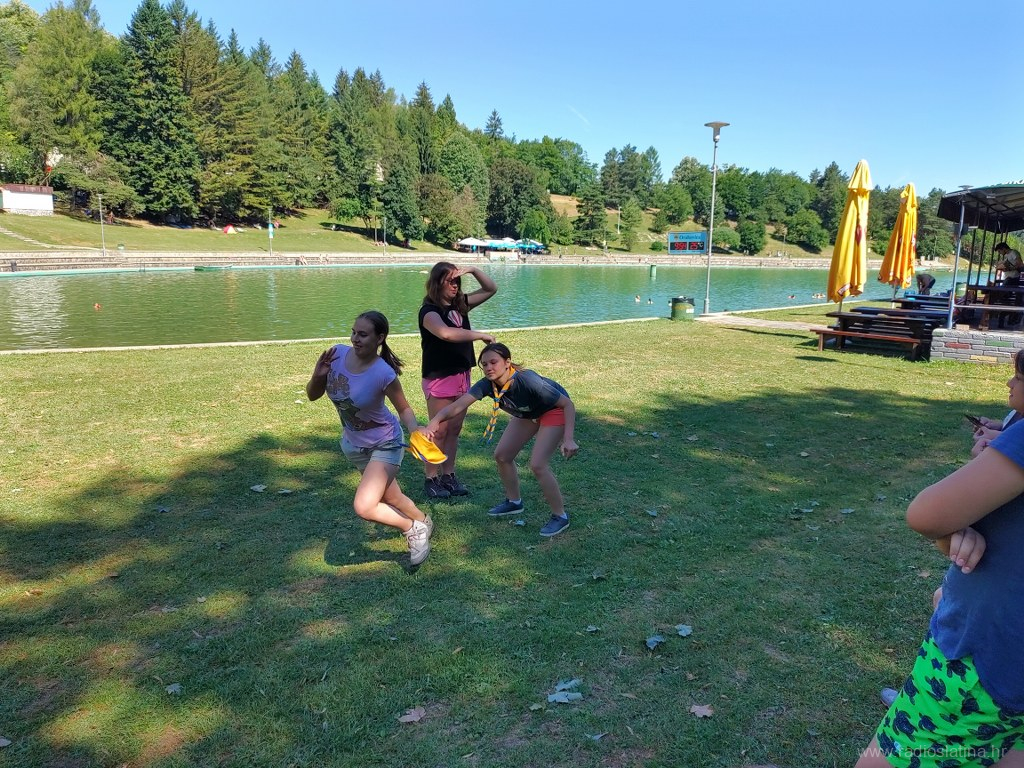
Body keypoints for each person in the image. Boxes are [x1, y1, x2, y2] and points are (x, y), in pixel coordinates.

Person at [855, 350, 1024, 768]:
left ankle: (927, 714)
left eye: (1019, 377)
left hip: (986, 664)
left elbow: (927, 514)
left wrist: (950, 528)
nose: (1010, 383)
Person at [306, 311, 432, 566]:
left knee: (364, 506)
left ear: (379, 338)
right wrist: (318, 376)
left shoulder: (383, 373)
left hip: (385, 442)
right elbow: (312, 395)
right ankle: (424, 521)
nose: (355, 339)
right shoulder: (336, 354)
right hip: (354, 445)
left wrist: (414, 429)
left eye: (363, 334)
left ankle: (412, 528)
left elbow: (404, 409)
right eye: (353, 332)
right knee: (391, 497)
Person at [420, 343, 578, 538]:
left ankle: (560, 516)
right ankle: (514, 502)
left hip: (553, 410)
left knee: (538, 465)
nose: (489, 368)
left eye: (493, 362)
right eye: (484, 364)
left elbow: (567, 404)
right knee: (502, 456)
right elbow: (458, 405)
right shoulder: (488, 384)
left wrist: (568, 439)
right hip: (528, 412)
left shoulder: (527, 380)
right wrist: (435, 421)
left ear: (507, 362)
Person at [418, 262, 497, 500]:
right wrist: (479, 335)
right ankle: (431, 478)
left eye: (457, 281)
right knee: (438, 431)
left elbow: (490, 289)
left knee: (453, 430)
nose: (455, 285)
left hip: (462, 374)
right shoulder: (429, 312)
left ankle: (448, 475)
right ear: (437, 283)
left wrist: (472, 269)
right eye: (450, 281)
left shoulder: (460, 305)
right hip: (439, 377)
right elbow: (446, 333)